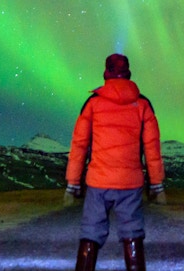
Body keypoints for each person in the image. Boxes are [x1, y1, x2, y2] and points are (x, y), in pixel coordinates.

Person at [65, 53, 165, 271]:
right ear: (128, 73)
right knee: (132, 233)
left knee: (91, 233)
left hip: (98, 182)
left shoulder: (93, 103)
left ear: (106, 73)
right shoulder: (142, 105)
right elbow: (152, 148)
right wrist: (156, 183)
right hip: (130, 182)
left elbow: (80, 144)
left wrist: (73, 182)